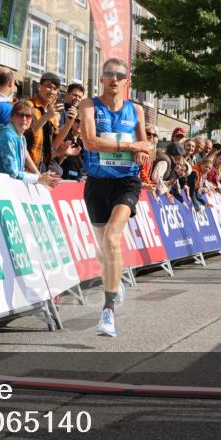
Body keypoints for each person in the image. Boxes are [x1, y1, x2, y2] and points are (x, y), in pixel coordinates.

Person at [79, 58, 151, 338]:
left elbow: (145, 145)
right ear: (101, 78)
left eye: (119, 75)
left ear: (126, 82)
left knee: (112, 238)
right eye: (109, 74)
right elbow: (90, 141)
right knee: (103, 250)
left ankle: (108, 311)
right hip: (97, 182)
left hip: (126, 182)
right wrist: (131, 145)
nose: (114, 79)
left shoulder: (136, 110)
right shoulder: (88, 105)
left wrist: (142, 150)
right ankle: (114, 278)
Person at [0, 99, 60, 189]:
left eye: (28, 116)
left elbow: (25, 156)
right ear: (12, 117)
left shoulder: (20, 136)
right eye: (20, 115)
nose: (24, 119)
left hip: (7, 186)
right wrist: (38, 178)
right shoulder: (7, 136)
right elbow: (13, 173)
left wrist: (40, 176)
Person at [25, 71, 63, 174]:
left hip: (44, 165)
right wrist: (46, 117)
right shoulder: (28, 105)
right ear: (39, 86)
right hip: (28, 165)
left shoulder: (52, 111)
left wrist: (70, 121)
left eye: (55, 89)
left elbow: (54, 144)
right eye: (49, 87)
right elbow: (24, 136)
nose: (52, 91)